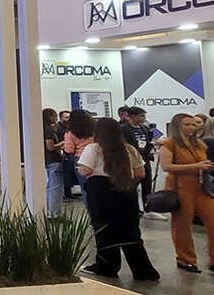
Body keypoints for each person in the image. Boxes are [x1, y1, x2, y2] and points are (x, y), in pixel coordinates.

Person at [77, 118, 159, 280]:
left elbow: (85, 170)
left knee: (103, 229)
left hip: (100, 192)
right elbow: (140, 173)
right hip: (126, 190)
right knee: (130, 230)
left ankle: (107, 267)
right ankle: (143, 271)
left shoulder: (93, 148)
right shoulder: (129, 149)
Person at [159, 113, 214, 274]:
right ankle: (185, 259)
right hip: (179, 188)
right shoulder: (169, 144)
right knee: (182, 226)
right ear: (177, 126)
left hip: (201, 188)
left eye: (193, 124)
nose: (191, 127)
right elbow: (166, 167)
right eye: (187, 124)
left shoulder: (200, 144)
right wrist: (196, 166)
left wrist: (206, 166)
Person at [121, 106, 154, 208]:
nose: (144, 118)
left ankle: (148, 209)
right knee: (131, 187)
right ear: (132, 116)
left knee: (147, 186)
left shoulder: (144, 128)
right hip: (131, 162)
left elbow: (148, 143)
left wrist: (151, 150)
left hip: (145, 160)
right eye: (141, 116)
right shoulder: (123, 129)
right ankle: (133, 208)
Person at [63, 109, 95, 205]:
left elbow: (69, 150)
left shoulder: (70, 133)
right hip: (96, 157)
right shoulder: (95, 130)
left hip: (80, 160)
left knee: (85, 188)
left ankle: (90, 211)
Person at [43, 108, 65, 217]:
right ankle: (55, 214)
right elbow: (50, 147)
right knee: (55, 188)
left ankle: (50, 212)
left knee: (51, 186)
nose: (56, 118)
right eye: (55, 116)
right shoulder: (49, 130)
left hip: (48, 160)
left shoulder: (42, 128)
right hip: (54, 160)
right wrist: (62, 143)